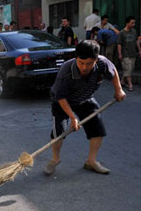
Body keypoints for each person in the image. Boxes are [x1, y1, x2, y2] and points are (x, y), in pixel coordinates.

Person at [45, 40, 125, 175]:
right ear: (76, 58)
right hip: (62, 102)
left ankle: (91, 161)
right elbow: (61, 97)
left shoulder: (102, 62)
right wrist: (72, 117)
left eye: (89, 64)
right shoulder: (66, 70)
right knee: (58, 133)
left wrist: (119, 89)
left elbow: (113, 71)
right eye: (81, 63)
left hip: (85, 99)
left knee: (97, 129)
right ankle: (55, 159)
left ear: (96, 60)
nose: (84, 67)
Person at [117, 16, 141, 91]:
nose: (133, 24)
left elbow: (137, 41)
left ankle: (122, 81)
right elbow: (119, 44)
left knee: (130, 69)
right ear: (127, 23)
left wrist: (139, 50)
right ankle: (130, 84)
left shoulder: (134, 31)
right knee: (128, 68)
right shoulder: (122, 33)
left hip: (133, 53)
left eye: (134, 23)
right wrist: (120, 54)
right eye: (132, 23)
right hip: (125, 54)